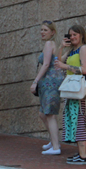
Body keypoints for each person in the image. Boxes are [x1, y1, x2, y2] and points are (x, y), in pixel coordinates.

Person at [55, 24, 86, 165]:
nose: (72, 37)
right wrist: (61, 47)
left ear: (81, 35)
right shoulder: (72, 51)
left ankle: (83, 156)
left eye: (75, 35)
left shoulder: (84, 49)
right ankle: (80, 154)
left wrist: (65, 66)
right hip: (72, 91)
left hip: (82, 91)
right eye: (70, 35)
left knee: (80, 122)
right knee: (73, 122)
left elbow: (84, 69)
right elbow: (57, 63)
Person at [31, 20, 65, 155]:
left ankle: (56, 147)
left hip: (49, 82)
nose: (42, 32)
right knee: (43, 113)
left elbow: (45, 65)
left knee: (49, 114)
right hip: (53, 82)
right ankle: (53, 140)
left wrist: (35, 81)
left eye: (45, 30)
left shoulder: (49, 44)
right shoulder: (55, 45)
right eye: (41, 30)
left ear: (52, 32)